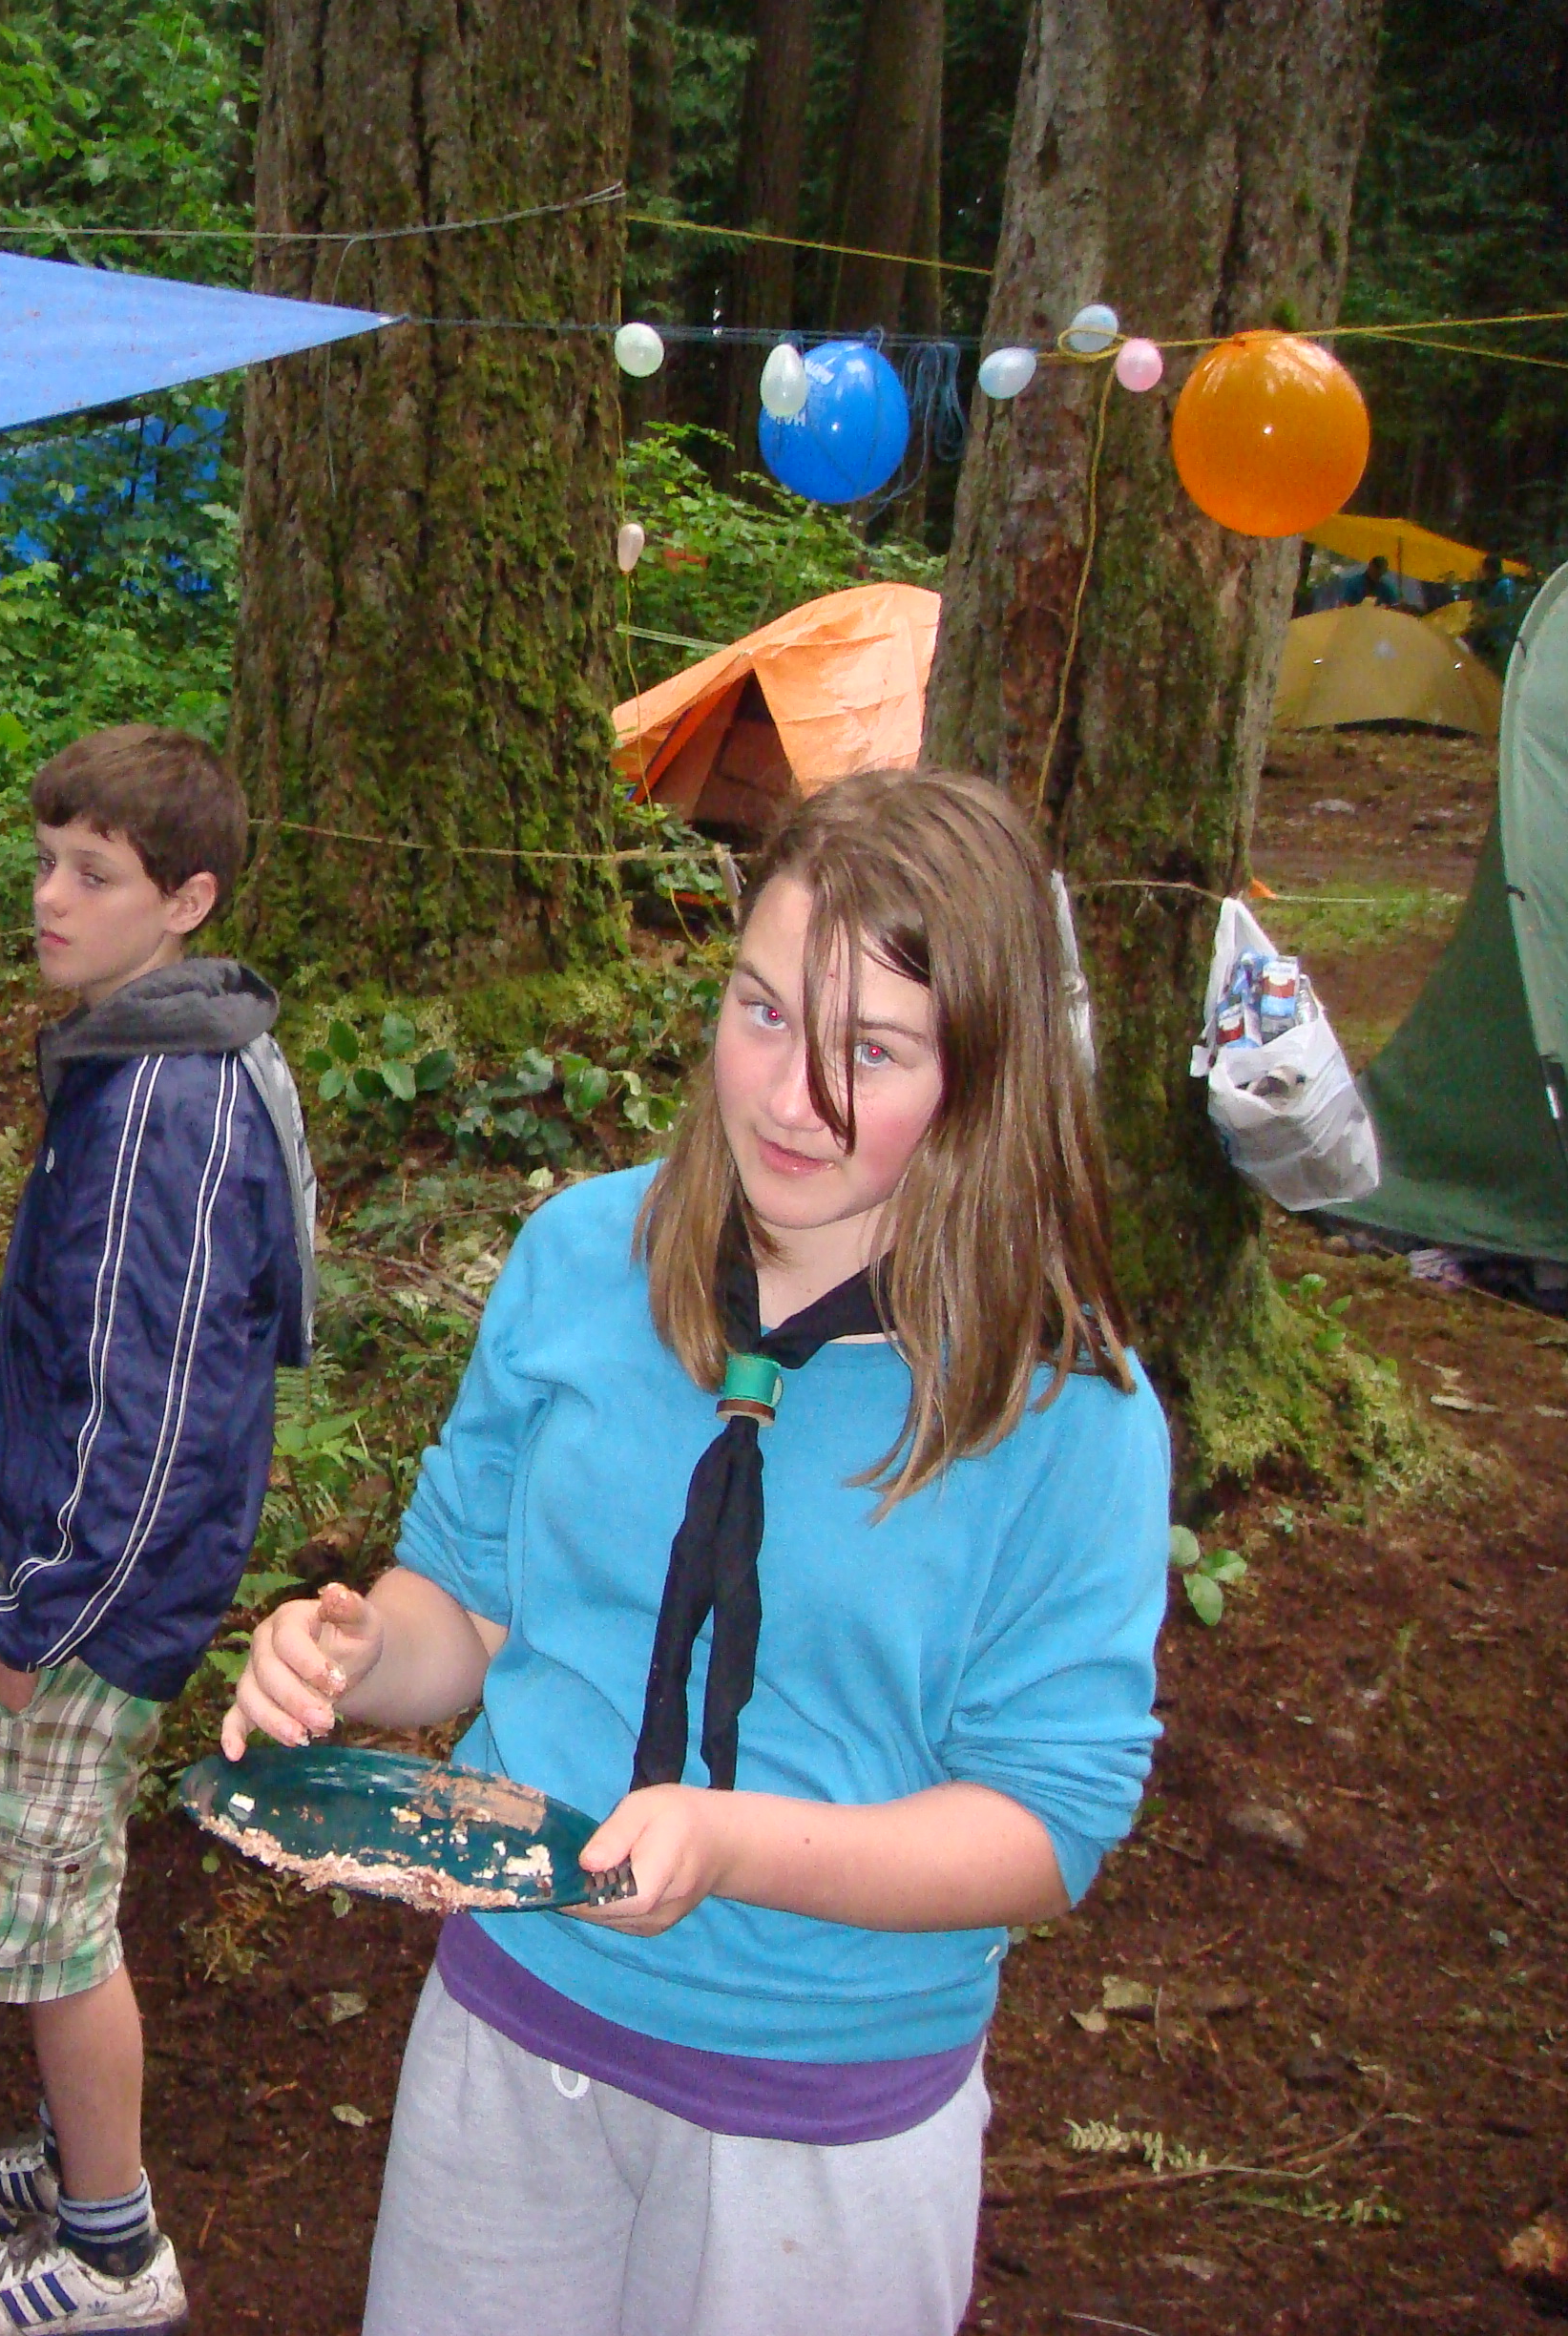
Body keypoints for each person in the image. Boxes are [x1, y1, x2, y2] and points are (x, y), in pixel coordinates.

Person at [228, 768, 1169, 2336]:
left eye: (873, 1051)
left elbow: (1045, 1825)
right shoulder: (583, 1256)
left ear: (986, 1074)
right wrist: (360, 1655)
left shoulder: (1060, 1409)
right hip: (514, 2021)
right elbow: (468, 1603)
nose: (794, 1097)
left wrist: (733, 1848)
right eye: (763, 1013)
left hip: (821, 2115)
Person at [0, 726, 317, 2336]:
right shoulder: (157, 1053)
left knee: (56, 1925)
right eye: (46, 863)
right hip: (76, 1572)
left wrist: (42, 1615)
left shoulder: (162, 1102)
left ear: (187, 902)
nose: (51, 899)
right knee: (48, 1887)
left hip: (82, 1595)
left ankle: (109, 2248)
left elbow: (149, 1416)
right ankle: (73, 2148)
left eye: (96, 874)